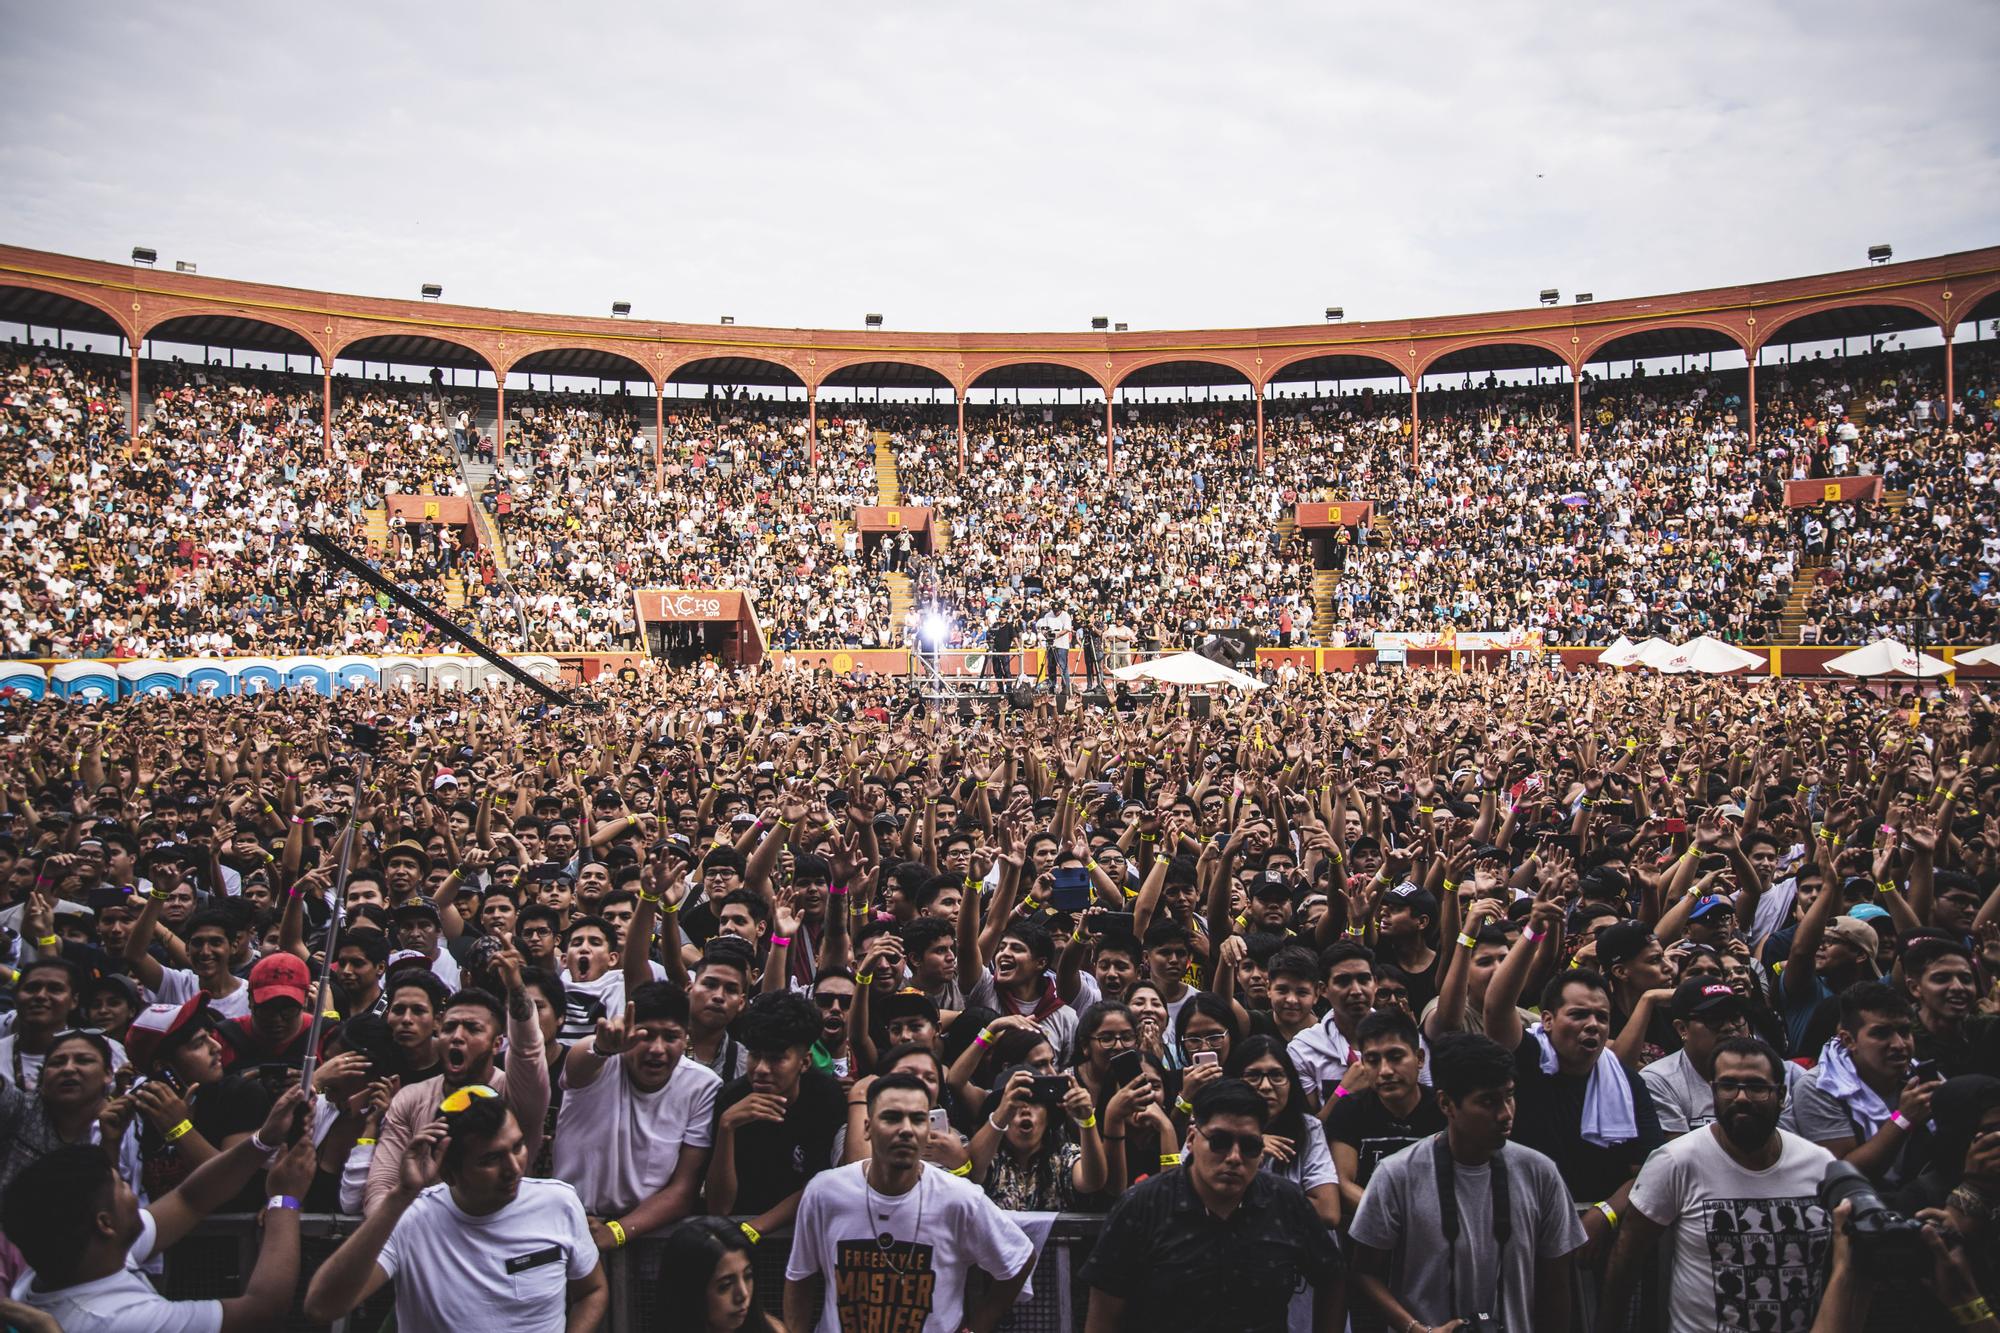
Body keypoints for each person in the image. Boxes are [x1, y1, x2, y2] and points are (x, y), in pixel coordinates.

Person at [3, 1086, 314, 1332]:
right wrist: (284, 1200)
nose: (130, 1192)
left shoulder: (78, 1256)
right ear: (105, 1223)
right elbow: (262, 1311)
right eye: (121, 1186)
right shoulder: (114, 1321)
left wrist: (264, 1140)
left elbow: (189, 1200)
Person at [304, 1091, 609, 1332]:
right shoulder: (413, 1218)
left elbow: (592, 1290)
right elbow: (322, 1307)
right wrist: (402, 1196)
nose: (513, 1168)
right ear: (449, 1172)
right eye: (490, 1159)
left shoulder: (559, 1203)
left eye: (517, 1148)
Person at [1348, 1032, 1587, 1333]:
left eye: (1509, 1095)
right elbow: (1364, 1273)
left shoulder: (1540, 1173)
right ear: (1446, 1103)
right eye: (1487, 1101)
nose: (1505, 1113)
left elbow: (1557, 1285)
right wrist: (1414, 1328)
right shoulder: (1397, 1174)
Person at [1598, 1037, 1837, 1333]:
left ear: (1782, 1095)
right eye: (1728, 1086)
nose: (1741, 1098)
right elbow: (1627, 1257)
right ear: (1713, 1092)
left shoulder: (1820, 1165)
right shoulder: (1677, 1161)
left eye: (1756, 1087)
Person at [1083, 1078, 1345, 1333]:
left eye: (1250, 1146)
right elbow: (1103, 1316)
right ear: (1191, 1139)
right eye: (1219, 1142)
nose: (1234, 1157)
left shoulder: (1285, 1201)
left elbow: (1333, 1278)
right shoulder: (1142, 1207)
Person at [784, 1071, 1036, 1333]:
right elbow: (800, 1276)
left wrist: (977, 1328)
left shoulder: (960, 1198)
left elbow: (1019, 1259)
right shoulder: (825, 1192)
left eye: (917, 1119)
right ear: (868, 1128)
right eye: (892, 1117)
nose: (905, 1130)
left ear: (928, 1129)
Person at [363, 952, 549, 1209]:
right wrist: (403, 1236)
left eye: (473, 1029)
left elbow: (528, 1051)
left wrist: (516, 988)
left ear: (497, 1044)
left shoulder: (514, 1093)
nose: (457, 1037)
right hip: (431, 1238)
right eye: (450, 1028)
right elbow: (381, 1186)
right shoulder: (411, 1098)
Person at [553, 981, 718, 1247]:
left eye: (670, 1037)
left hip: (646, 1233)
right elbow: (577, 1065)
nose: (656, 1048)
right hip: (570, 1227)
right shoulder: (600, 1060)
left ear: (686, 1037)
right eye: (646, 1035)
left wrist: (617, 1231)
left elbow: (683, 1189)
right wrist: (601, 1048)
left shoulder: (702, 1086)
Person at [705, 990, 847, 1238]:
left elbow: (820, 1185)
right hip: (737, 1231)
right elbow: (719, 1206)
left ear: (804, 1062)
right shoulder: (730, 1099)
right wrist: (727, 1128)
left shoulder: (826, 1098)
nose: (761, 1069)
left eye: (776, 1059)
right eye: (755, 1056)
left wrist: (755, 1229)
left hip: (800, 1233)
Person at [1790, 980, 1940, 1182]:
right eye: (1881, 1033)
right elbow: (1843, 1173)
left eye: (1904, 1032)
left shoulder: (1919, 1076)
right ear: (1849, 1040)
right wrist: (1904, 1118)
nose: (1899, 1044)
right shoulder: (1821, 1086)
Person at [1327, 1008, 1444, 1223]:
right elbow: (1342, 1184)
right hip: (1372, 1229)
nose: (1385, 1070)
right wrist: (1395, 1217)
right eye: (1373, 1060)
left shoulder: (1443, 1108)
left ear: (1419, 1059)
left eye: (1395, 1057)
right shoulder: (1349, 1110)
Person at [655, 1216, 783, 1333]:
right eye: (725, 1286)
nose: (743, 1294)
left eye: (748, 1276)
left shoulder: (771, 1329)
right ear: (690, 1290)